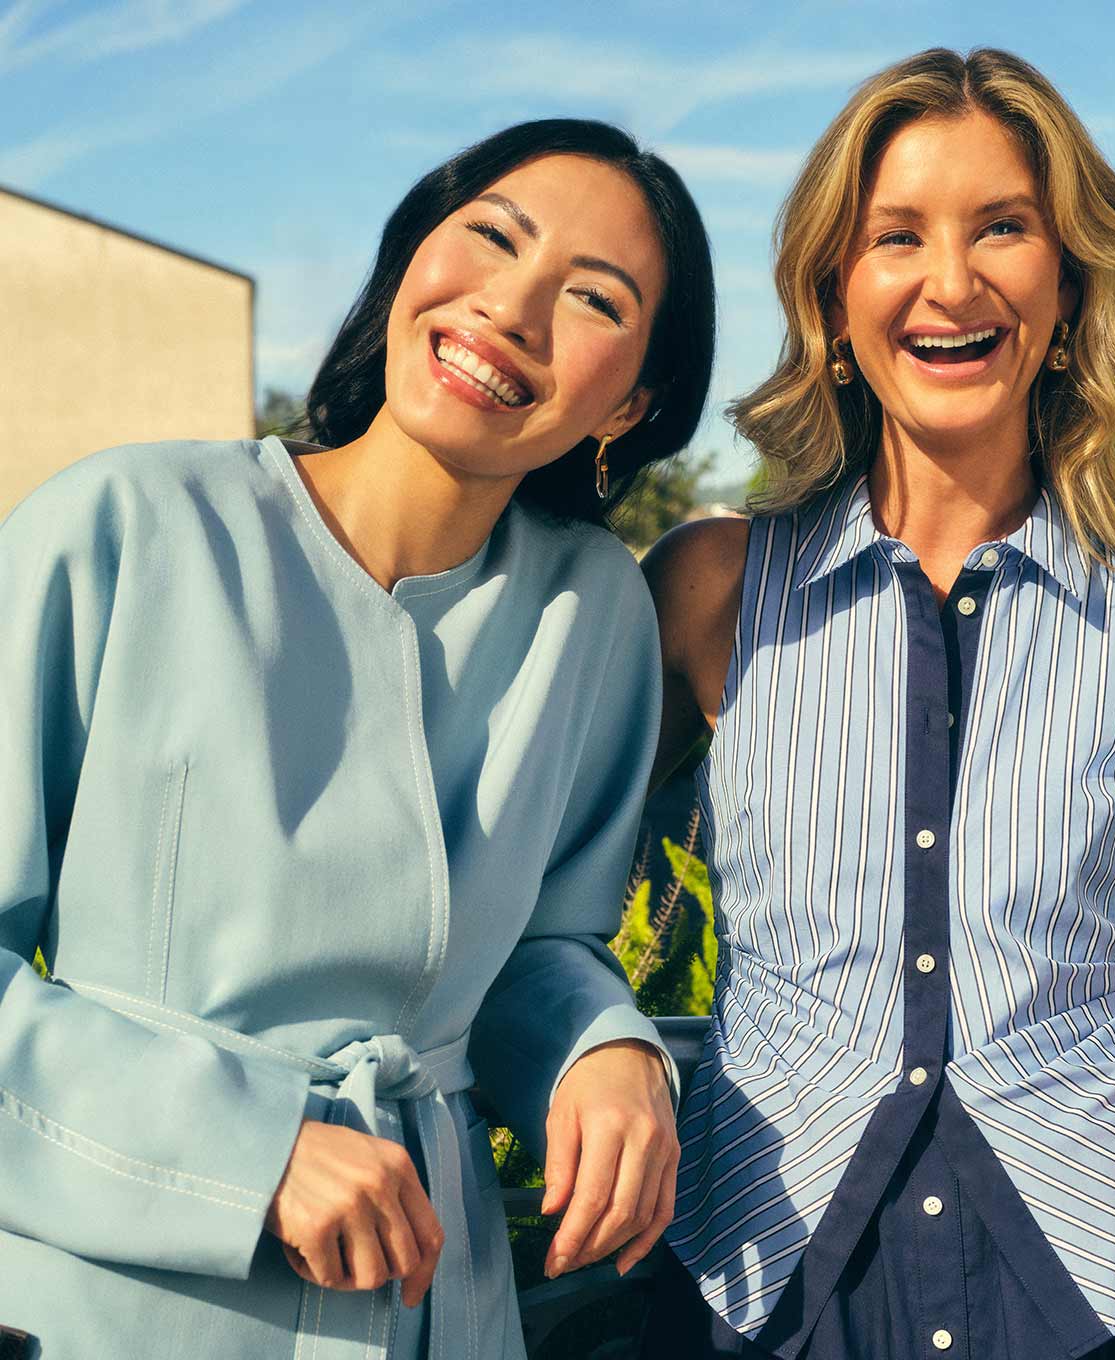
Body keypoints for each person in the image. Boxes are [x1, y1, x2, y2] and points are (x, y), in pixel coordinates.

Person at [0, 118, 714, 1360]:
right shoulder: (121, 526)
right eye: (492, 236)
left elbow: (544, 944)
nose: (513, 308)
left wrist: (602, 1048)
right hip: (125, 1301)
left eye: (592, 298)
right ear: (410, 256)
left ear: (634, 402)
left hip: (445, 1304)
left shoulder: (592, 609)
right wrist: (243, 1145)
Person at [642, 50, 1115, 1360]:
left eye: (1004, 227)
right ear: (834, 295)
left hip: (1092, 1283)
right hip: (771, 1285)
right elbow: (555, 893)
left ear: (1066, 283)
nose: (953, 281)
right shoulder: (707, 593)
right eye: (896, 237)